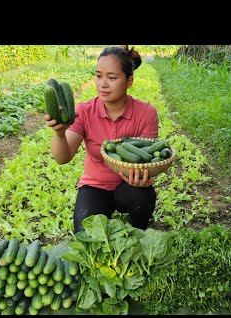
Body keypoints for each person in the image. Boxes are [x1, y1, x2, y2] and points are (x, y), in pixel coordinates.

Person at [44, 45, 159, 233]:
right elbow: (62, 158)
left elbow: (147, 158)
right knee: (85, 234)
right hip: (95, 185)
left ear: (129, 81)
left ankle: (138, 232)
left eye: (112, 78)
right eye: (98, 76)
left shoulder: (146, 113)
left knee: (142, 197)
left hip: (129, 184)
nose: (102, 84)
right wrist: (59, 133)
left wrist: (143, 178)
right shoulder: (84, 111)